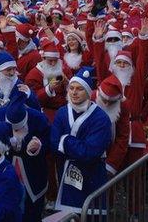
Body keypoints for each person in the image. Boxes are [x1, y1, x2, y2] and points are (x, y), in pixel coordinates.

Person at [51, 67, 112, 214]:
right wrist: (77, 146)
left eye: (79, 89)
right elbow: (53, 143)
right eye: (71, 88)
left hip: (92, 176)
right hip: (66, 175)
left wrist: (65, 140)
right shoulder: (62, 112)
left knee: (90, 213)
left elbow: (89, 152)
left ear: (88, 92)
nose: (74, 92)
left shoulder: (101, 118)